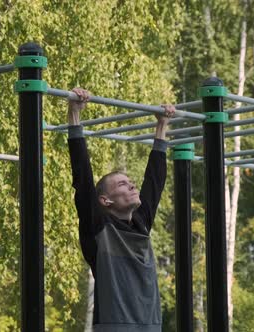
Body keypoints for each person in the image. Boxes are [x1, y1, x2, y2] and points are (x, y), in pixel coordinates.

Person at [66, 88, 175, 332]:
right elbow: (82, 178)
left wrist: (162, 125)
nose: (132, 186)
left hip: (151, 326)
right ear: (105, 200)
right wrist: (74, 114)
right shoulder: (98, 226)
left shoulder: (141, 224)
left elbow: (154, 182)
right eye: (122, 184)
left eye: (130, 182)